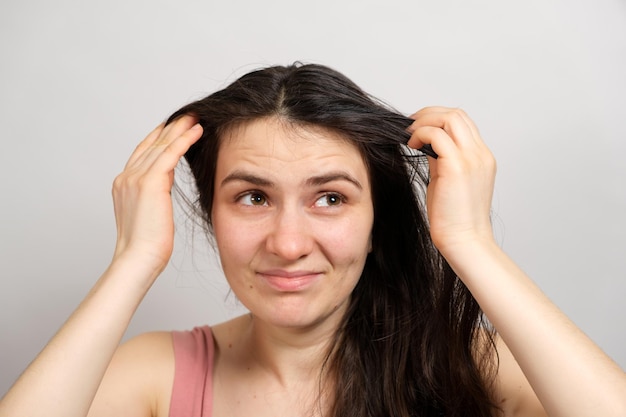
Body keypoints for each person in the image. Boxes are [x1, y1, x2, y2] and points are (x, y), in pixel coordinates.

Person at [0, 63, 624, 417]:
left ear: (377, 218)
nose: (289, 242)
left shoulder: (471, 365)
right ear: (209, 212)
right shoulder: (161, 375)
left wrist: (469, 241)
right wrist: (132, 261)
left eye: (330, 198)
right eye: (252, 197)